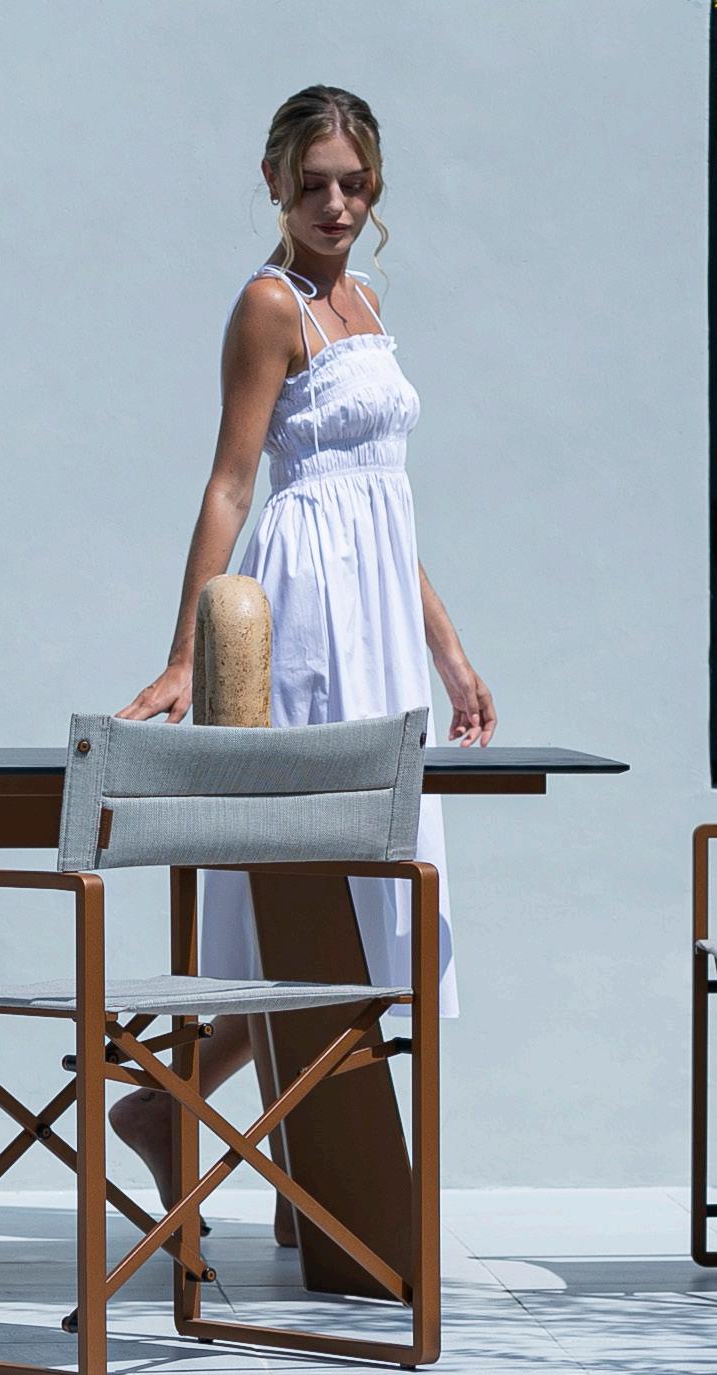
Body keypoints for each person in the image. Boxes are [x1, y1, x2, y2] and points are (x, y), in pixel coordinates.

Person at [114, 84, 492, 1242]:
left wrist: (451, 654)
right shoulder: (268, 304)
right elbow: (233, 483)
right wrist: (187, 651)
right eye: (315, 182)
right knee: (320, 893)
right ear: (275, 183)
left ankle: (248, 1147)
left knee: (382, 899)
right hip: (311, 616)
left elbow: (387, 511)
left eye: (354, 182)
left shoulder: (366, 306)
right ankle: (221, 1132)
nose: (336, 203)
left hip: (381, 617)